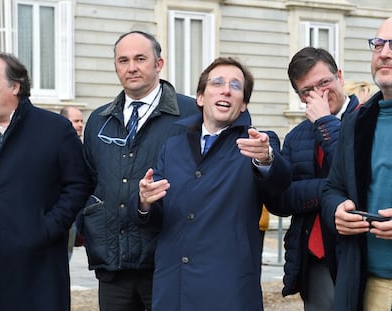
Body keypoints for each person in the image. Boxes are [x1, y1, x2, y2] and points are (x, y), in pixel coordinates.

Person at [128, 56, 292, 310]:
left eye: (236, 86)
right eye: (217, 83)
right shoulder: (173, 146)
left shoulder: (258, 142)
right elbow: (153, 214)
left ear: (243, 104)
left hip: (227, 290)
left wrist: (266, 158)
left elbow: (279, 183)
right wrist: (144, 201)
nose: (226, 89)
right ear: (201, 97)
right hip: (174, 287)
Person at [81, 30, 196, 310]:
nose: (131, 67)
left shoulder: (191, 114)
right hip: (113, 265)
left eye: (140, 58)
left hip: (167, 261)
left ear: (159, 64)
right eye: (123, 60)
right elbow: (89, 182)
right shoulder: (99, 120)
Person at [0, 51, 91, 311]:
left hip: (36, 272)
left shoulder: (55, 129)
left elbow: (79, 185)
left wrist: (47, 228)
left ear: (15, 86)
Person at [265, 47, 360, 310]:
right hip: (313, 256)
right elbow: (280, 199)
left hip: (358, 252)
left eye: (324, 83)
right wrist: (329, 192)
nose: (318, 94)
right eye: (307, 90)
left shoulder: (367, 119)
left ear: (339, 76)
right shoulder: (297, 136)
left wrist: (326, 123)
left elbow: (358, 177)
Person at [321, 17, 392, 311]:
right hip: (370, 284)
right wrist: (337, 210)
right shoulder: (356, 121)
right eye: (379, 44)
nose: (385, 53)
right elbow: (332, 189)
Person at [60, 106, 84, 260]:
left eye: (82, 121)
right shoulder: (57, 146)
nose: (80, 124)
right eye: (76, 121)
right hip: (62, 210)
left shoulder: (82, 146)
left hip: (77, 213)